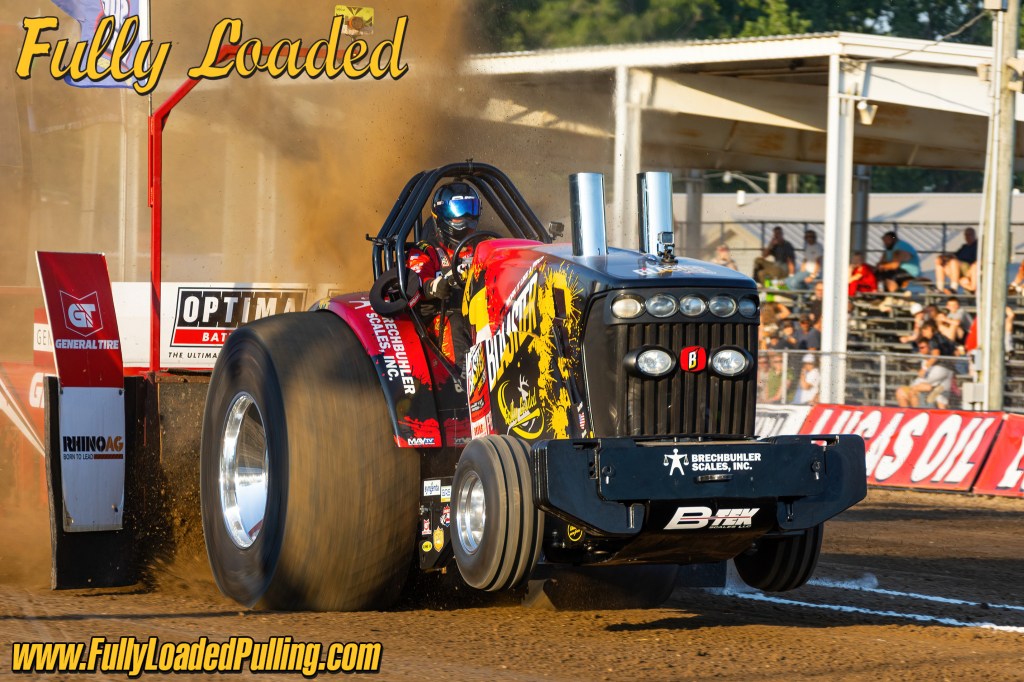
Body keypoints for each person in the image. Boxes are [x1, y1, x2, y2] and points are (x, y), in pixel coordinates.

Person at [407, 181, 482, 365]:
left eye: (470, 209)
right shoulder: (426, 249)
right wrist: (436, 285)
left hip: (482, 311)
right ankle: (461, 378)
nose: (465, 217)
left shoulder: (484, 244)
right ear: (442, 214)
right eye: (459, 210)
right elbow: (417, 279)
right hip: (442, 314)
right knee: (455, 323)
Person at [896, 340, 954, 409]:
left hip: (932, 395)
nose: (920, 350)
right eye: (919, 348)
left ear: (930, 348)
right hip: (921, 389)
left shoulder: (941, 366)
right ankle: (906, 414)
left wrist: (917, 386)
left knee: (913, 391)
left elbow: (928, 386)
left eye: (922, 347)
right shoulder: (924, 361)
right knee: (900, 391)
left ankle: (916, 413)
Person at [935, 227, 977, 294]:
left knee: (953, 262)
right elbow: (955, 255)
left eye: (970, 235)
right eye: (966, 235)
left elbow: (977, 261)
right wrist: (943, 257)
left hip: (967, 267)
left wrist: (970, 272)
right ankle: (940, 288)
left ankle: (953, 288)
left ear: (974, 235)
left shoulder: (977, 246)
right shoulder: (964, 247)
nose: (968, 237)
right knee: (940, 262)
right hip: (957, 268)